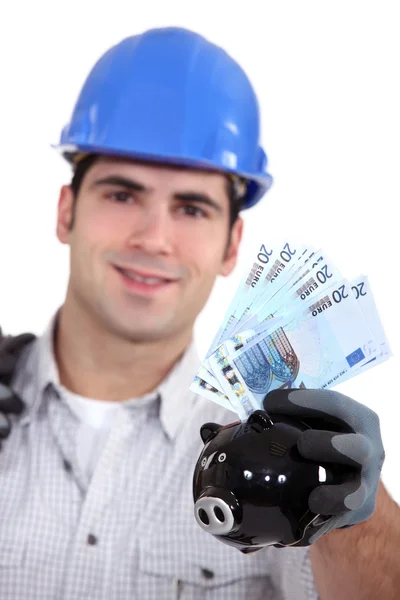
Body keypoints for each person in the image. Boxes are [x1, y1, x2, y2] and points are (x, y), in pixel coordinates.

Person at [0, 26, 398, 600]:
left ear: (232, 244)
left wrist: (357, 519)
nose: (154, 238)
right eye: (122, 194)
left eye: (191, 207)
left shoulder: (279, 449)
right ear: (66, 212)